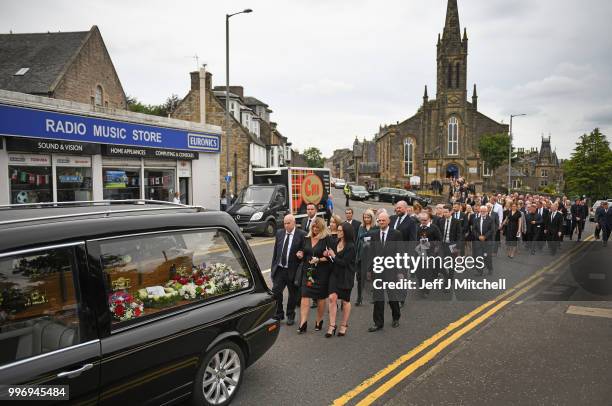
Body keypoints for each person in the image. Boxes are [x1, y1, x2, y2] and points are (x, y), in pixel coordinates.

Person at [296, 217, 333, 333]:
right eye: (314, 226)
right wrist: (300, 254)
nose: (315, 229)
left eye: (318, 227)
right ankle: (303, 323)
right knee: (305, 295)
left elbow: (330, 256)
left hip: (321, 273)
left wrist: (319, 259)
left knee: (321, 298)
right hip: (308, 272)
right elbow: (302, 251)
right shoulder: (306, 238)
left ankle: (319, 320)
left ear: (322, 228)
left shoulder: (327, 239)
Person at [368, 211, 403, 332]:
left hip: (391, 271)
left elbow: (400, 253)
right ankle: (378, 323)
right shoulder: (374, 235)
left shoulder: (396, 234)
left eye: (383, 220)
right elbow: (371, 253)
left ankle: (396, 317)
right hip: (378, 271)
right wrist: (370, 270)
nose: (381, 222)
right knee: (378, 297)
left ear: (388, 221)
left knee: (392, 295)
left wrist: (400, 272)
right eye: (379, 220)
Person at [270, 215, 306, 325]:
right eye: (285, 223)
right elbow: (276, 252)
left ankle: (290, 315)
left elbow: (305, 251)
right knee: (276, 292)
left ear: (294, 223)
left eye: (288, 223)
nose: (286, 225)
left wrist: (302, 254)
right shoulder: (280, 233)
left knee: (293, 294)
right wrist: (273, 268)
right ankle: (279, 313)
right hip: (280, 269)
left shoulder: (301, 235)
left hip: (293, 270)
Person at [325, 223, 356, 337]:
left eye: (340, 231)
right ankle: (332, 325)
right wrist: (328, 255)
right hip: (335, 274)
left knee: (345, 301)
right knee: (332, 298)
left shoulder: (351, 246)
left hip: (346, 276)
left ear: (346, 232)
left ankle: (343, 325)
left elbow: (344, 263)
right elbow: (333, 259)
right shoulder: (335, 242)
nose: (338, 232)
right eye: (337, 230)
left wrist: (333, 255)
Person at [437, 205, 463, 292]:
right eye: (443, 212)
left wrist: (457, 247)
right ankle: (446, 277)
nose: (444, 214)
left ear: (451, 212)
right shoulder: (441, 221)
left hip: (452, 246)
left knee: (451, 266)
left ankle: (448, 284)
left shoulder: (456, 222)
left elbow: (459, 235)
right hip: (442, 245)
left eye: (446, 212)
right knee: (440, 263)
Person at [355, 209, 377, 306]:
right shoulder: (361, 227)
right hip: (361, 255)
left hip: (372, 256)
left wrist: (367, 236)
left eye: (368, 217)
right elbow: (358, 238)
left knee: (373, 277)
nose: (366, 219)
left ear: (372, 218)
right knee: (360, 278)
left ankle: (375, 296)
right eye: (365, 217)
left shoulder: (375, 227)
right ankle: (359, 297)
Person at [416, 212, 442, 295]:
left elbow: (439, 240)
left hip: (430, 252)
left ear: (429, 219)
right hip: (418, 252)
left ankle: (426, 288)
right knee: (418, 271)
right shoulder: (417, 227)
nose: (423, 222)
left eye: (425, 220)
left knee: (428, 271)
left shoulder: (434, 228)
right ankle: (421, 285)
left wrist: (431, 244)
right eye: (421, 220)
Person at [472, 205, 495, 274]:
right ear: (479, 211)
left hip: (487, 241)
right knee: (478, 256)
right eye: (481, 211)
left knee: (487, 257)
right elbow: (473, 230)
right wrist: (479, 236)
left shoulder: (491, 219)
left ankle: (490, 269)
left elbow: (491, 230)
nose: (482, 212)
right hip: (478, 241)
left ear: (487, 211)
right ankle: (480, 271)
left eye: (484, 211)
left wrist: (484, 237)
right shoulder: (476, 219)